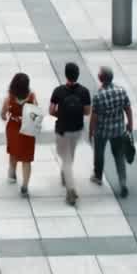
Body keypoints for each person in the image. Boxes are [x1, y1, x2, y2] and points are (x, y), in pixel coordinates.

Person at [49, 62, 91, 206]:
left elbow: (51, 110)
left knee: (66, 159)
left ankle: (70, 190)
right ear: (78, 75)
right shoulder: (84, 92)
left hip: (62, 129)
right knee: (70, 156)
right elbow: (87, 111)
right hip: (77, 129)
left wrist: (60, 115)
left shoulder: (58, 91)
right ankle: (65, 175)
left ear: (65, 74)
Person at [89, 66, 134, 198]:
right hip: (118, 130)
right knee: (119, 156)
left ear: (100, 78)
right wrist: (130, 124)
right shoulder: (121, 91)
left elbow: (94, 116)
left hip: (102, 131)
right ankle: (123, 182)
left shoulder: (98, 96)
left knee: (99, 153)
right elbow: (128, 109)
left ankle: (98, 176)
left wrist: (91, 131)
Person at [1, 72, 37, 197]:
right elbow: (36, 111)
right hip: (27, 131)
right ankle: (25, 186)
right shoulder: (32, 97)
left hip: (13, 128)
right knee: (26, 159)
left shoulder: (10, 98)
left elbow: (3, 113)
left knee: (13, 152)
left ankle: (12, 174)